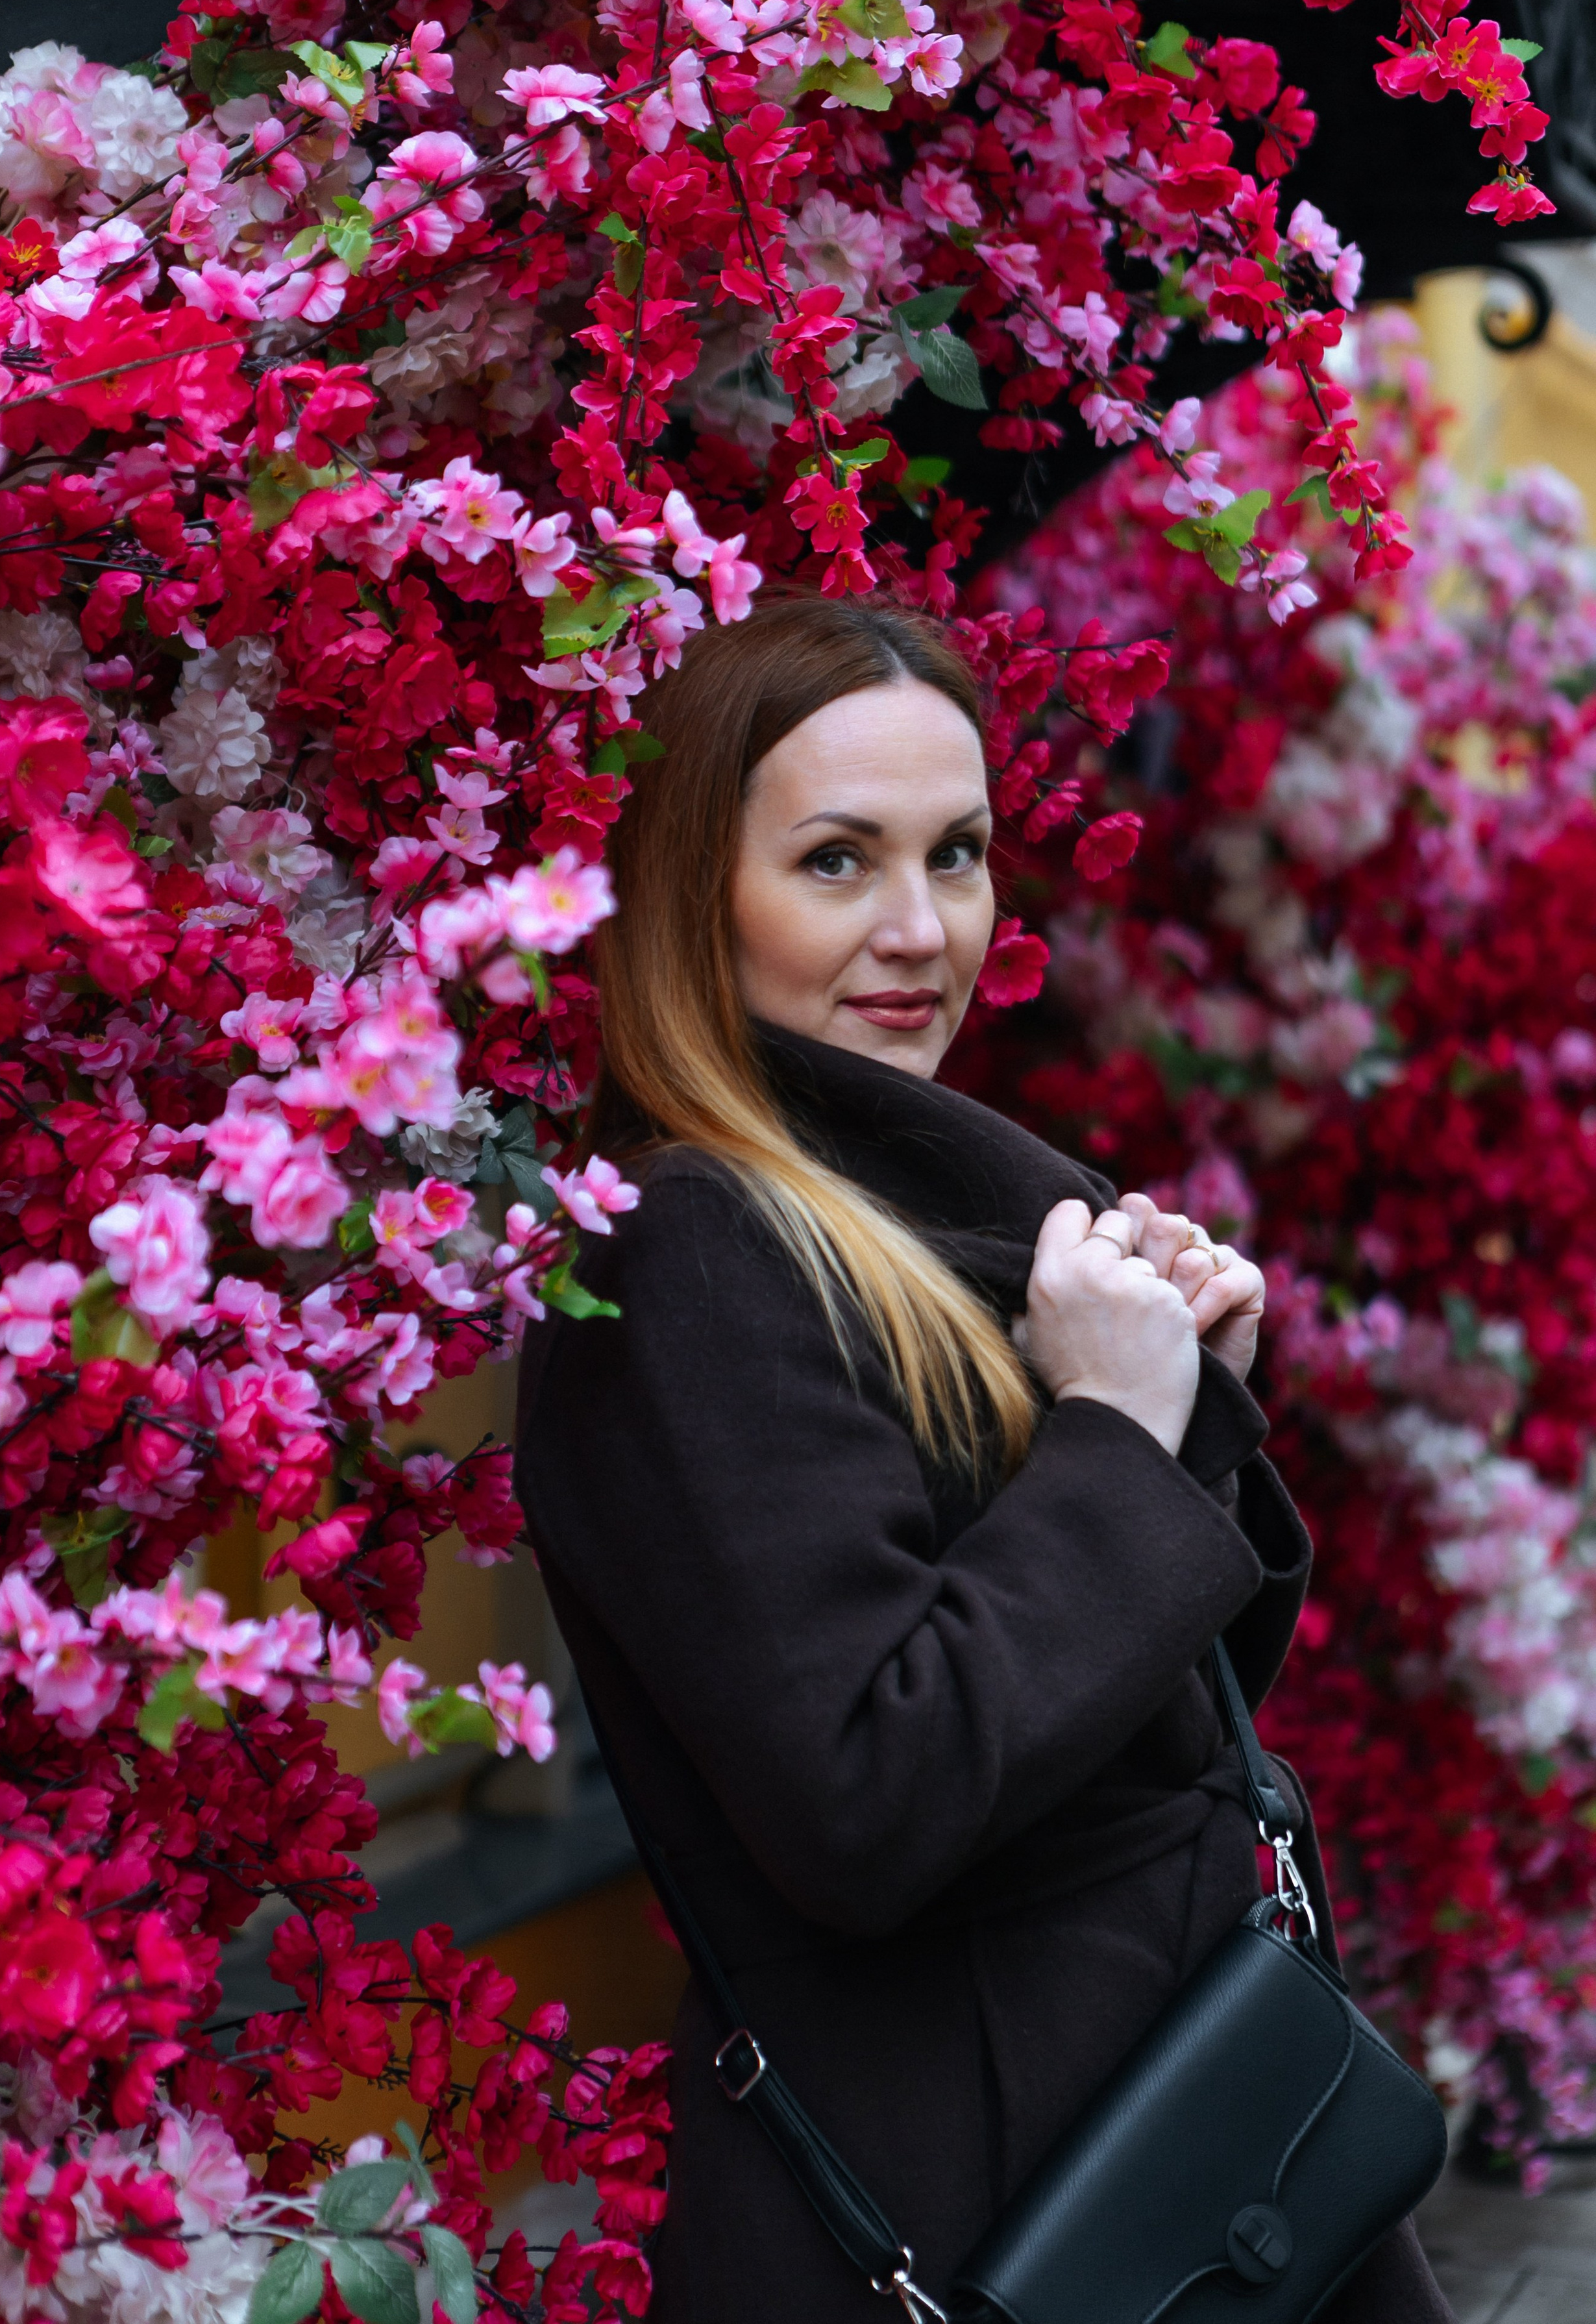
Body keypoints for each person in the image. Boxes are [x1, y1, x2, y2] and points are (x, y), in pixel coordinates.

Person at [515, 596, 1453, 2323]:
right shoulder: (689, 1258)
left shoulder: (897, 1216)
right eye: (835, 862)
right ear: (681, 895)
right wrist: (1108, 1431)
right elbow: (873, 1800)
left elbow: (1143, 1737)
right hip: (982, 2181)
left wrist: (1182, 1413)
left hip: (1159, 2118)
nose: (919, 929)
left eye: (957, 856)